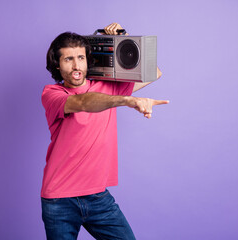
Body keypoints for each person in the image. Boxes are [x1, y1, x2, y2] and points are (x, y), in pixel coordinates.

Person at [41, 23, 169, 240]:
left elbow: (154, 72)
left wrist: (124, 40)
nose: (76, 65)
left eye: (81, 57)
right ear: (57, 66)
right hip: (59, 199)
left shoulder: (107, 86)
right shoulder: (52, 93)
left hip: (98, 196)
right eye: (68, 59)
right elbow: (83, 102)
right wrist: (128, 100)